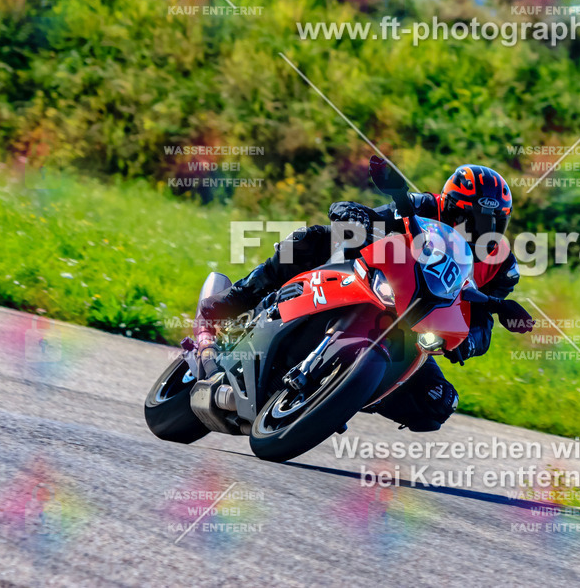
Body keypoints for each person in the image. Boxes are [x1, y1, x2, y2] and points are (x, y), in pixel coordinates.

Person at [200, 163, 520, 432]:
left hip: (416, 330)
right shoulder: (422, 207)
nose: (478, 230)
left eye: (493, 222)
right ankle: (239, 297)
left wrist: (471, 342)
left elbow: (483, 320)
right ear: (448, 206)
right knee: (313, 238)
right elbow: (370, 220)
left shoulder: (501, 266)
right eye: (469, 219)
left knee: (438, 402)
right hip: (377, 288)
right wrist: (355, 216)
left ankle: (345, 393)